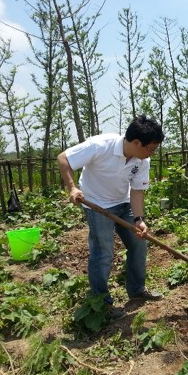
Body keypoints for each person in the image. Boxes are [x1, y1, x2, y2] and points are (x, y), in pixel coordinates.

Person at [58, 115, 165, 318]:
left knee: (139, 243)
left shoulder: (142, 160)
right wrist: (72, 188)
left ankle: (137, 291)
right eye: (150, 148)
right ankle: (102, 303)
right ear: (136, 142)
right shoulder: (101, 145)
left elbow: (136, 191)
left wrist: (139, 219)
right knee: (104, 252)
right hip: (96, 204)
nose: (151, 153)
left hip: (123, 203)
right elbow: (64, 158)